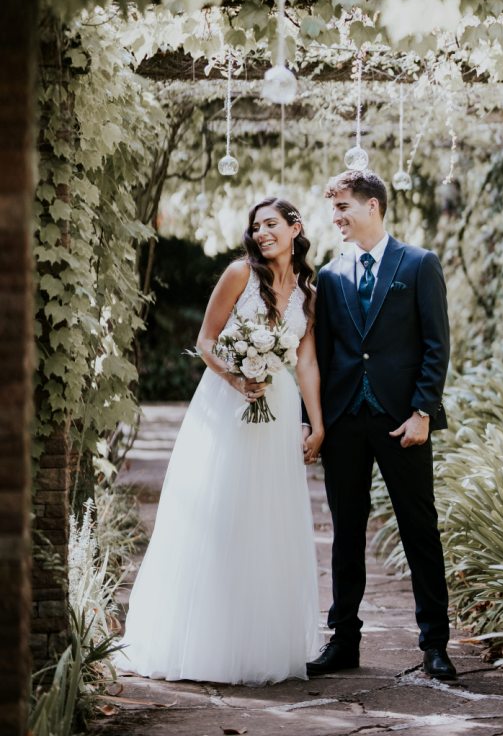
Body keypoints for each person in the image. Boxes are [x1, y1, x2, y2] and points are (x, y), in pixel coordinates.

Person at [117, 197, 324, 685]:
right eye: (256, 226)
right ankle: (205, 642)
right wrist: (237, 378)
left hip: (276, 412)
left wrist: (317, 424)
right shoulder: (238, 274)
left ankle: (258, 644)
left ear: (295, 228)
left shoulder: (309, 291)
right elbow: (207, 340)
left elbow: (307, 361)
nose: (262, 233)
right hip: (225, 405)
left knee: (267, 521)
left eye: (272, 224)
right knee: (221, 511)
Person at [305, 170, 456, 682]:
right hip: (346, 419)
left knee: (420, 529)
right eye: (334, 208)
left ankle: (435, 643)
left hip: (402, 421)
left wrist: (422, 412)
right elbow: (321, 355)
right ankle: (343, 639)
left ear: (374, 206)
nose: (336, 217)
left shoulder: (419, 265)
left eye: (344, 206)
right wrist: (316, 423)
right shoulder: (328, 276)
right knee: (345, 533)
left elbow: (437, 345)